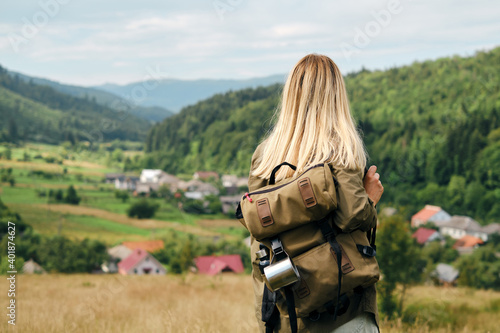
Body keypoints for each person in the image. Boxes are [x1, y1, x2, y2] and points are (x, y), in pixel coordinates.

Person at [247, 54, 384, 332]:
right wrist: (370, 198)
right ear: (336, 95)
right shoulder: (340, 149)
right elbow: (354, 216)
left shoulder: (265, 155)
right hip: (344, 310)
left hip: (285, 310)